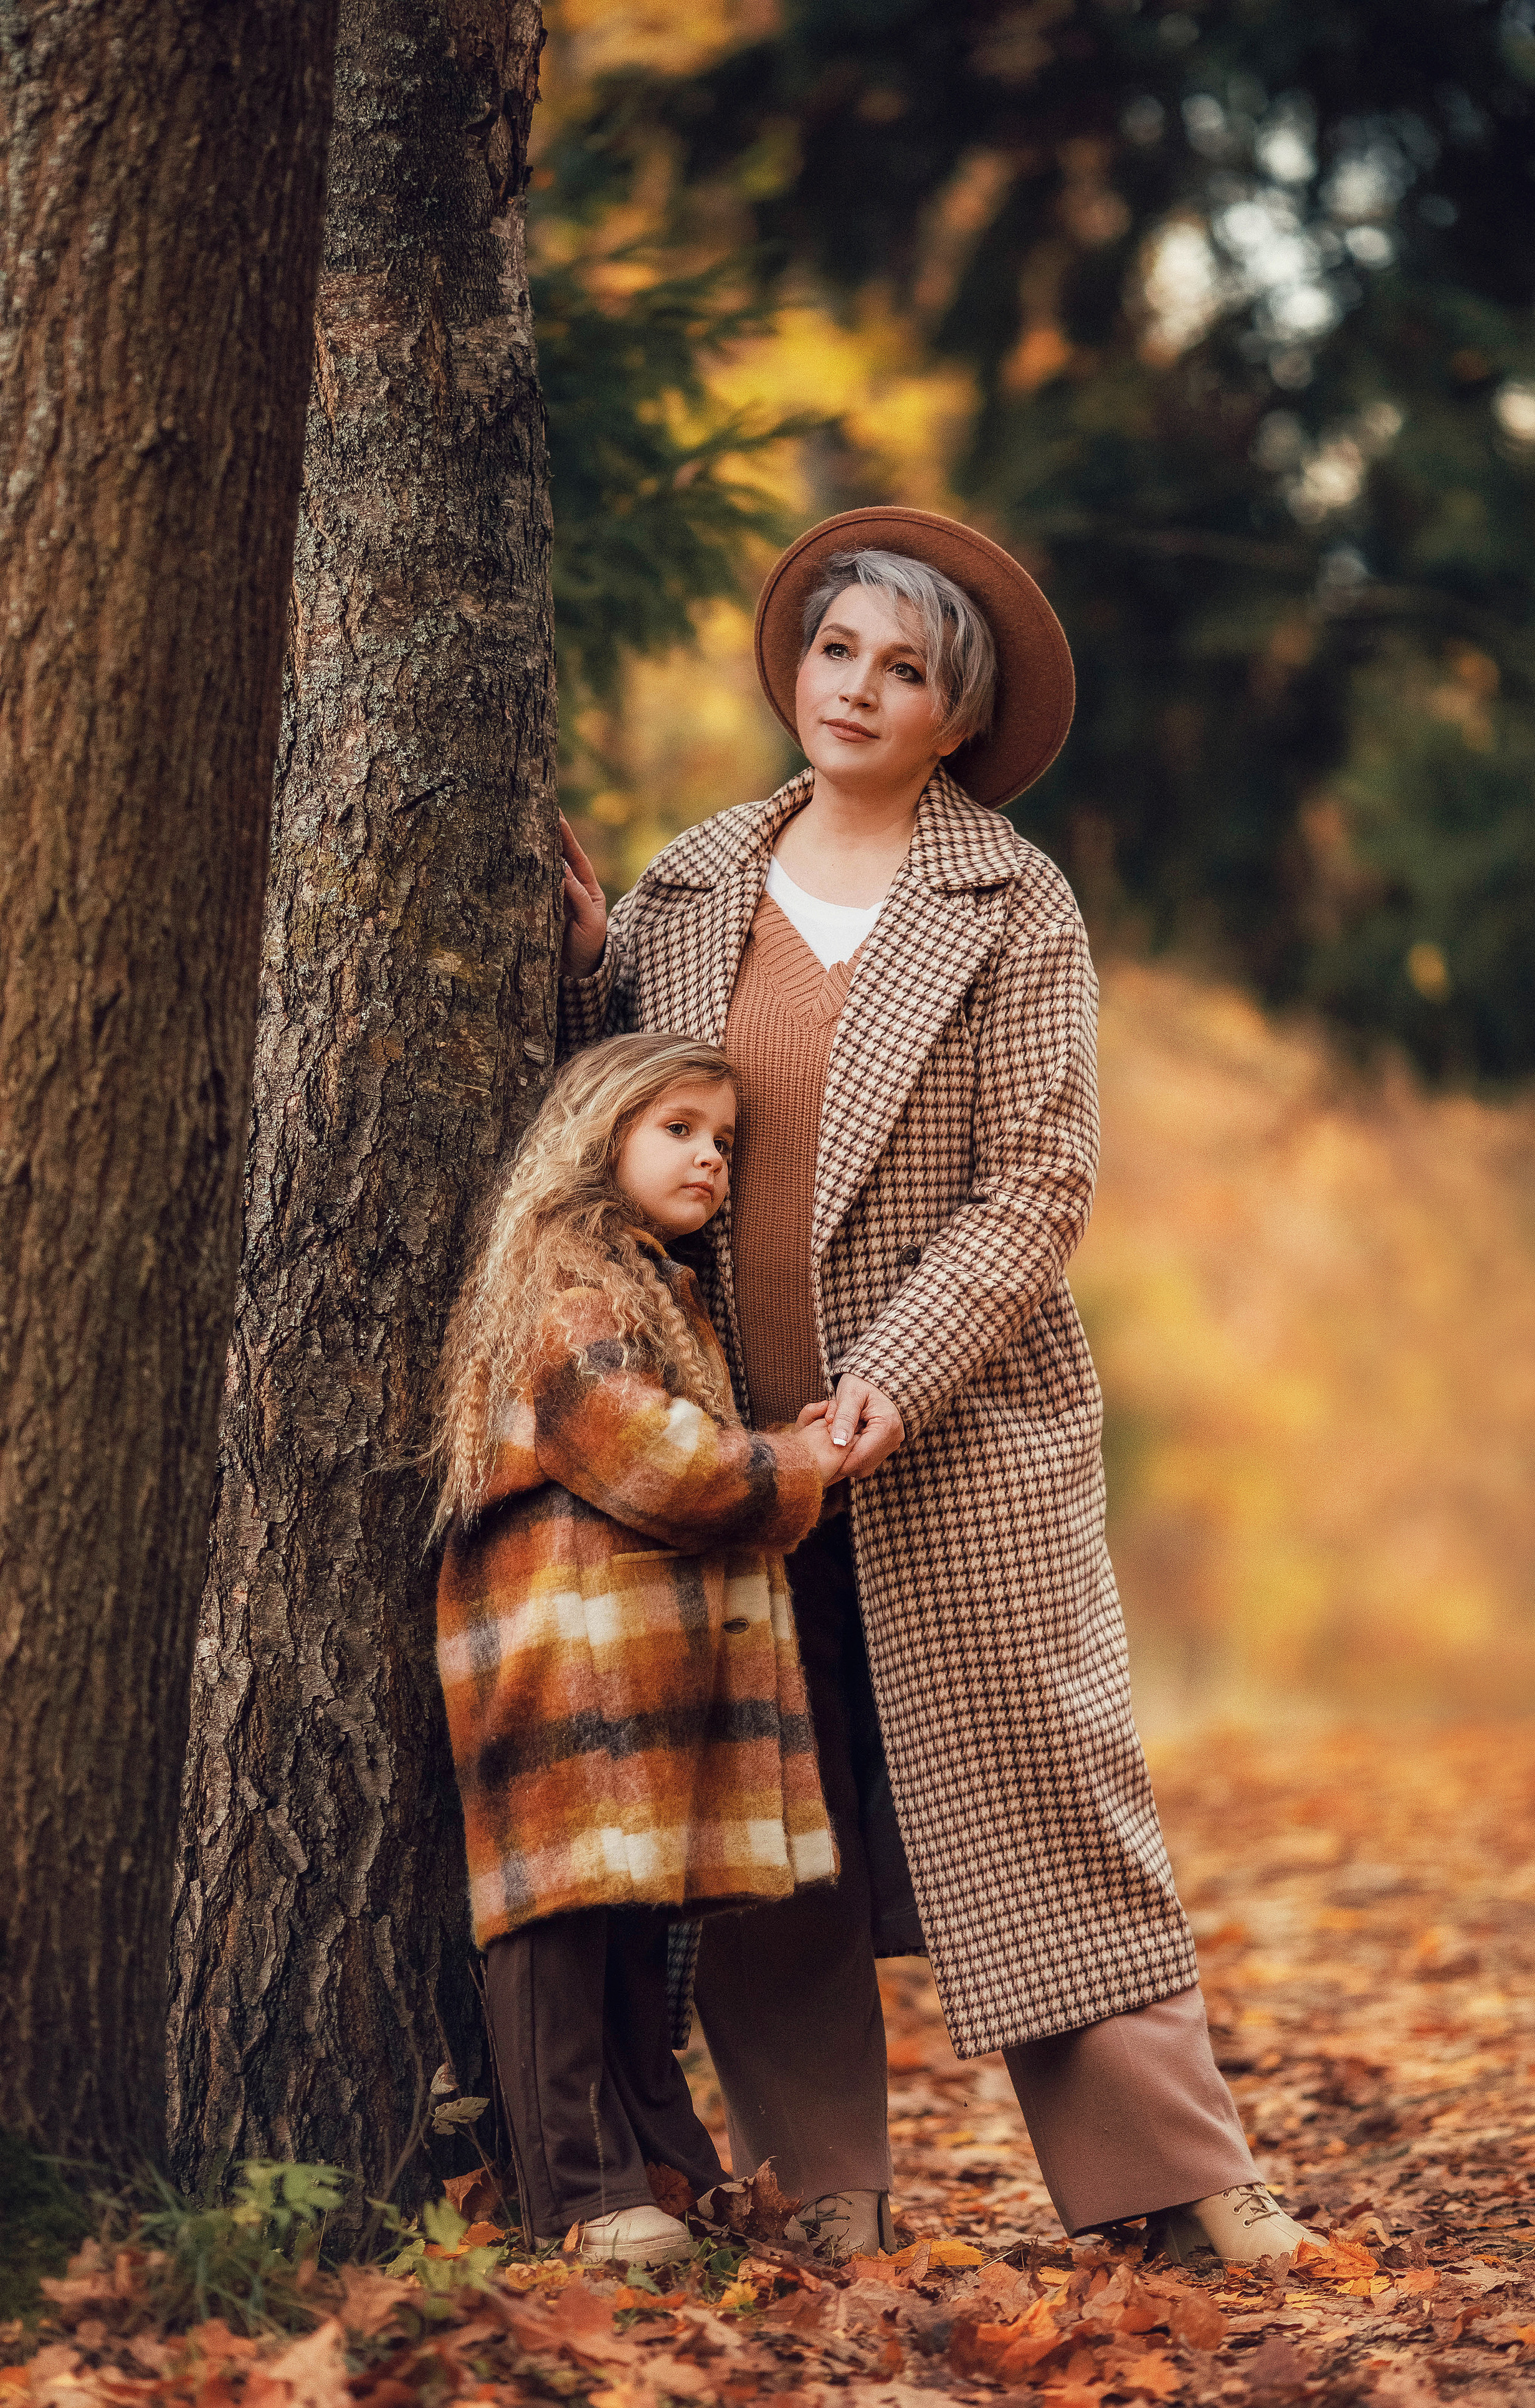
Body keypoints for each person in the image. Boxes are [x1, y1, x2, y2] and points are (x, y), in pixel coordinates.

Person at [555, 507, 1318, 2268]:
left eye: (907, 670)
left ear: (955, 718)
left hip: (957, 1427)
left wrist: (891, 1380)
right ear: (797, 669)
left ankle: (1182, 2182)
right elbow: (617, 1106)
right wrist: (572, 966)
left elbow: (1039, 1178)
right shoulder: (691, 887)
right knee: (768, 1805)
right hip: (729, 1429)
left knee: (1047, 1778)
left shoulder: (1009, 897)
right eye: (840, 652)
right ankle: (824, 2192)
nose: (862, 689)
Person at [430, 1033, 848, 2266]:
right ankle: (574, 2188)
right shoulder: (561, 1285)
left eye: (723, 1140)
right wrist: (804, 1459)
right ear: (601, 1129)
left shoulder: (652, 1286)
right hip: (564, 1651)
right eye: (678, 1128)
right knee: (556, 1912)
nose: (710, 1157)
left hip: (629, 1660)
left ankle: (657, 2162)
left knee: (627, 1918)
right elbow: (662, 1460)